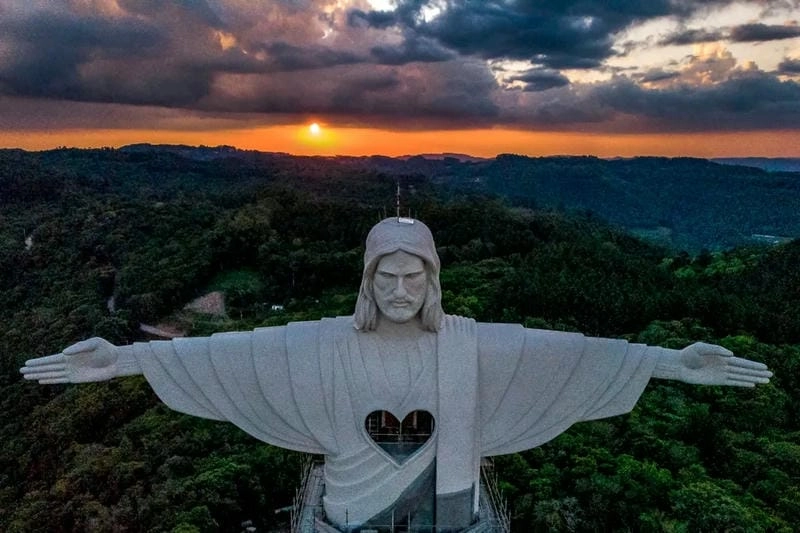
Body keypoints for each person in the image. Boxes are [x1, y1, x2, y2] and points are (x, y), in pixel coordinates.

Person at [21, 218, 772, 532]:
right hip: (343, 511)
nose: (403, 291)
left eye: (417, 276)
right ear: (368, 281)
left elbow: (571, 352)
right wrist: (128, 357)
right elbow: (233, 352)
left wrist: (670, 362)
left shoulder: (474, 345)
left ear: (435, 280)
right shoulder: (322, 343)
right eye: (389, 277)